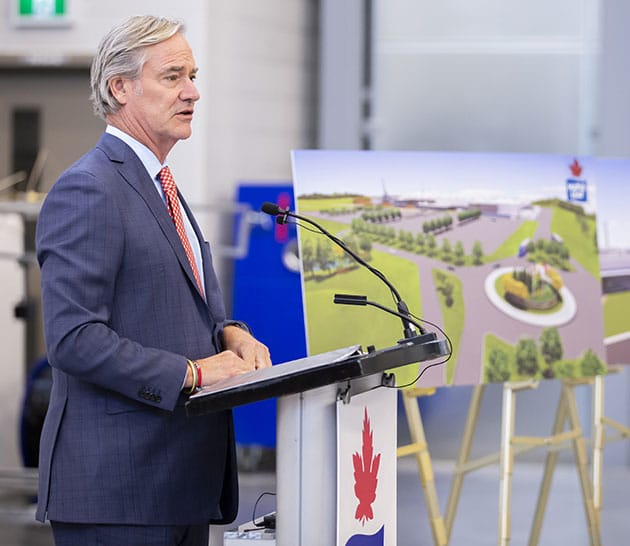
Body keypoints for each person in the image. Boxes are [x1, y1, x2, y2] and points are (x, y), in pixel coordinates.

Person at [35, 14, 271, 546]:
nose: (193, 91)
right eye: (173, 77)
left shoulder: (160, 183)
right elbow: (73, 339)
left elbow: (180, 304)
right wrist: (191, 371)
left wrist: (231, 332)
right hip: (119, 490)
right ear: (120, 87)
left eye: (193, 75)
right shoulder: (89, 189)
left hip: (182, 482)